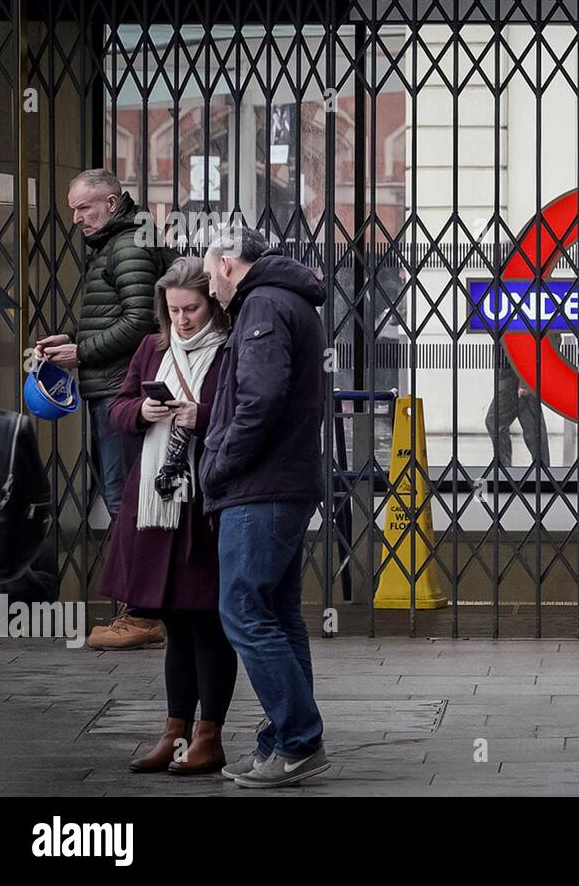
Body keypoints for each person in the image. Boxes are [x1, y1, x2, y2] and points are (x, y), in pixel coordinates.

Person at [199, 227, 330, 789]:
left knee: (243, 611)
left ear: (228, 264)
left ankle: (298, 738)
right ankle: (283, 741)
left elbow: (261, 397)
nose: (208, 288)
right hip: (286, 483)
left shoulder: (263, 304)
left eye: (208, 275)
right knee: (277, 614)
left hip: (262, 487)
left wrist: (221, 463)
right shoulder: (287, 299)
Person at [98, 257, 234, 774]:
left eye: (192, 308)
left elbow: (243, 412)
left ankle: (209, 735)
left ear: (212, 305)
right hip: (155, 503)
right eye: (173, 309)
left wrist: (203, 417)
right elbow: (119, 406)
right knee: (175, 623)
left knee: (209, 622)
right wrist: (142, 412)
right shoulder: (152, 347)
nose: (182, 319)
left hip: (204, 502)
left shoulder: (231, 349)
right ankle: (174, 733)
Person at [35, 168, 170, 650]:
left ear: (111, 204)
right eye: (72, 208)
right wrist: (70, 339)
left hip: (118, 390)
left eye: (84, 208)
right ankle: (138, 612)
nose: (75, 218)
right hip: (110, 387)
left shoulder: (129, 244)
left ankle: (140, 615)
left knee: (125, 501)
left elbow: (142, 321)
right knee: (124, 498)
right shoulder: (114, 245)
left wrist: (82, 353)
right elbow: (116, 314)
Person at [485, 340, 550, 467]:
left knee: (495, 421)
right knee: (532, 426)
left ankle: (505, 469)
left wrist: (525, 381)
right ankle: (542, 470)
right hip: (513, 374)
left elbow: (531, 342)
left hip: (515, 375)